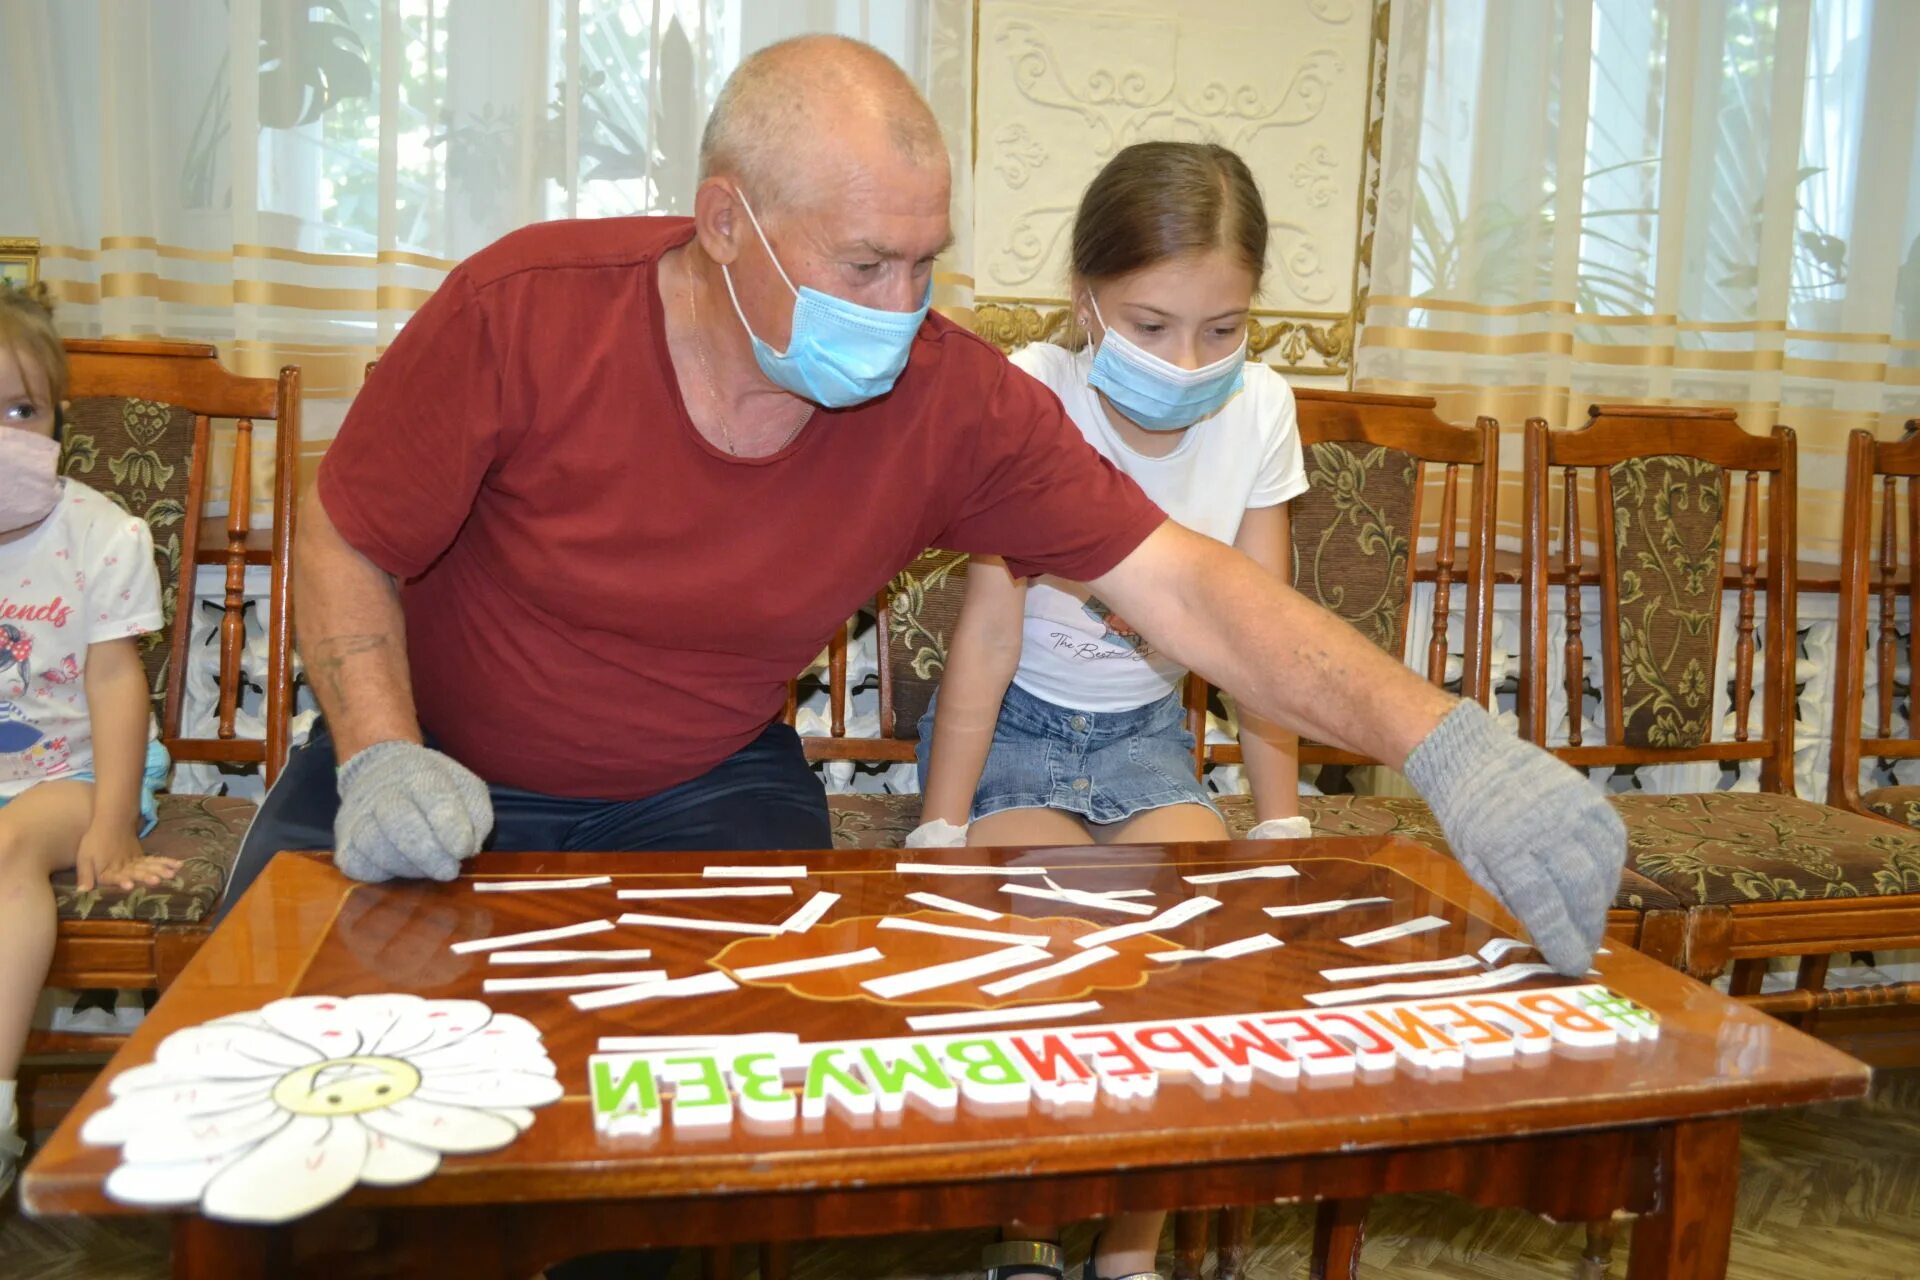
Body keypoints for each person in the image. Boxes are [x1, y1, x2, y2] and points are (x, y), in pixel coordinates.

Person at [238, 29, 1619, 1042]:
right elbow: (344, 527)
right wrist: (376, 750)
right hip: (427, 760)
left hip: (698, 783)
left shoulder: (948, 399)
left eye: (926, 263)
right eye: (861, 267)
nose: (900, 307)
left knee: (723, 1103)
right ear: (727, 223)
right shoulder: (520, 309)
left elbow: (1193, 592)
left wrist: (1447, 740)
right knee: (284, 1062)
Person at [912, 140, 1307, 1280]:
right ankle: (1027, 1237)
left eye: (1222, 329)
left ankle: (1130, 1255)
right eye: (1149, 324)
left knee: (1202, 955)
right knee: (1047, 954)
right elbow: (988, 629)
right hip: (1014, 734)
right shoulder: (1032, 390)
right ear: (1086, 300)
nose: (1188, 362)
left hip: (1148, 743)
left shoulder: (1264, 410)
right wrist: (940, 827)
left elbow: (1259, 638)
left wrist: (1276, 832)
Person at [0, 285, 177, 1197]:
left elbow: (116, 681)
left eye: (19, 410)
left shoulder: (104, 534)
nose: (2, 436)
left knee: (7, 852)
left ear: (57, 419)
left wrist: (113, 822)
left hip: (79, 768)